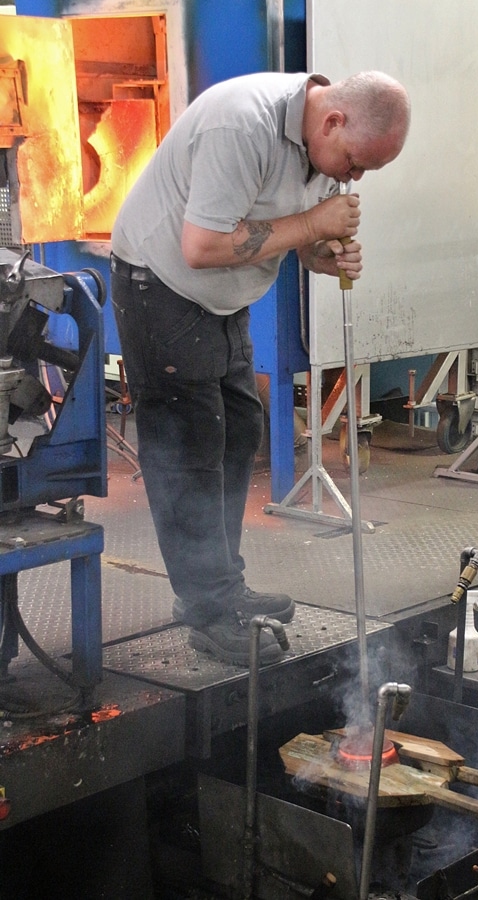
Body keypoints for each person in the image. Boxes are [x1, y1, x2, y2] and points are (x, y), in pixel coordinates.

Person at [109, 70, 411, 667]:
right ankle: (208, 610)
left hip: (218, 298)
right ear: (333, 120)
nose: (351, 178)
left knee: (239, 427)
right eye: (353, 162)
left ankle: (221, 585)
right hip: (162, 283)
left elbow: (290, 235)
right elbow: (202, 244)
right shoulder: (240, 124)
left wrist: (324, 252)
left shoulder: (320, 145)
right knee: (191, 446)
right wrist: (313, 225)